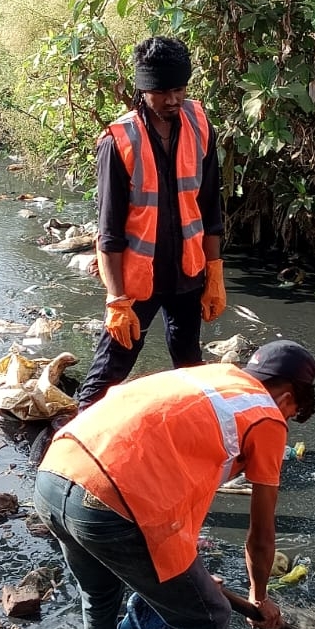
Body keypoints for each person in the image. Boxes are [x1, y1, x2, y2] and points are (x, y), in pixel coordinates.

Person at [35, 340, 315, 629]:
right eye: (292, 413)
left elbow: (168, 470)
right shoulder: (266, 416)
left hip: (56, 473)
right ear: (285, 398)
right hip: (112, 502)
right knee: (208, 622)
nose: (285, 422)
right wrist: (259, 598)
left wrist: (192, 573)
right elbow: (261, 534)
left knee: (100, 594)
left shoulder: (213, 378)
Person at [73, 36, 226, 410]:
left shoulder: (199, 126)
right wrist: (116, 300)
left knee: (190, 369)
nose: (173, 100)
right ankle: (73, 434)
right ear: (143, 90)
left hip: (188, 273)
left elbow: (210, 207)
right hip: (139, 282)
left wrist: (215, 272)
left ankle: (191, 434)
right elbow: (109, 231)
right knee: (108, 375)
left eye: (179, 90)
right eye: (161, 92)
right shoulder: (119, 141)